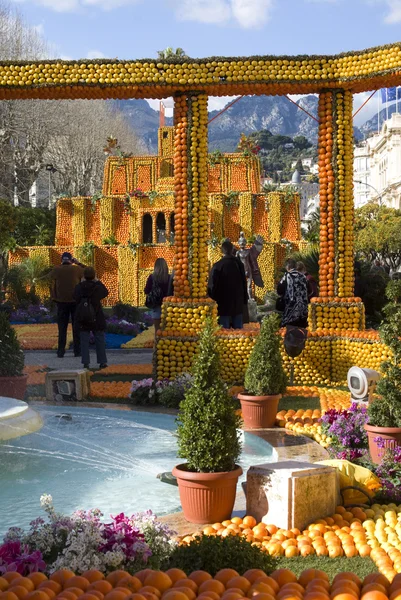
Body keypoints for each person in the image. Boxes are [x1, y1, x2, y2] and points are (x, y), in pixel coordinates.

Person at [50, 252, 86, 358]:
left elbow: (50, 283)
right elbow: (90, 272)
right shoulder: (77, 269)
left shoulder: (56, 270)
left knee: (62, 328)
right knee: (76, 328)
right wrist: (79, 263)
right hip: (75, 303)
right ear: (71, 260)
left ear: (61, 260)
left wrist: (54, 298)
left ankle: (61, 352)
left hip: (61, 303)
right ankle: (77, 352)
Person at [73, 266, 108, 369]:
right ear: (94, 275)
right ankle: (102, 362)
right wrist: (97, 281)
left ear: (84, 276)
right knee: (99, 338)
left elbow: (74, 297)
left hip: (83, 316)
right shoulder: (97, 287)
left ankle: (86, 362)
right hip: (96, 315)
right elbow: (105, 292)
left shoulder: (79, 287)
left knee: (84, 340)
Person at [208, 240, 248, 329]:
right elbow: (244, 283)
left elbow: (212, 286)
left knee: (225, 335)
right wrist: (245, 300)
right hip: (237, 304)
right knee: (239, 335)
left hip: (223, 305)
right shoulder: (239, 264)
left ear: (222, 251)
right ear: (232, 250)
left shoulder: (217, 266)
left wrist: (212, 300)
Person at [277, 258, 309, 328]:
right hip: (303, 312)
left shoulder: (287, 276)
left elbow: (279, 290)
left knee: (289, 331)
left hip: (291, 312)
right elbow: (309, 290)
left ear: (287, 267)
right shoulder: (303, 276)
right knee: (302, 332)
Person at [144, 258, 172, 333]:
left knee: (157, 330)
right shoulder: (169, 278)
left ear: (155, 267)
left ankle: (157, 344)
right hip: (167, 306)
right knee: (167, 330)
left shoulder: (152, 277)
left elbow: (146, 291)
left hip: (156, 305)